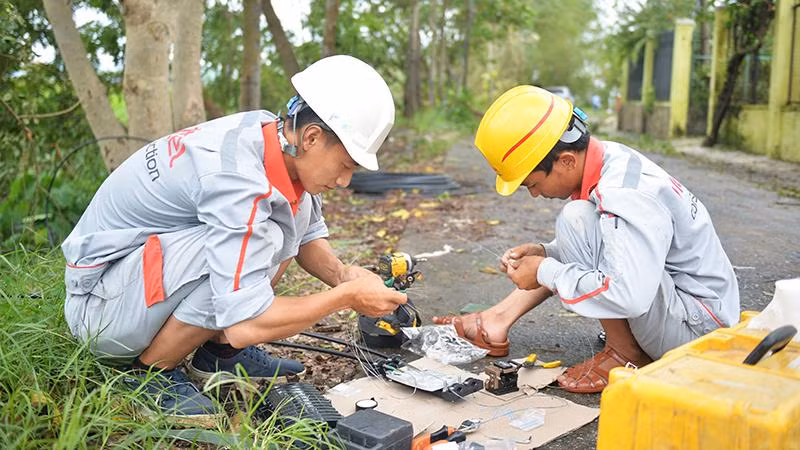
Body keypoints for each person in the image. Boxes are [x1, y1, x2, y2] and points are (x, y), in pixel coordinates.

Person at [62, 55, 407, 421]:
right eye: (346, 165)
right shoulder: (236, 180)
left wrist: (342, 275)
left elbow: (305, 236)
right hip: (99, 308)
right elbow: (247, 323)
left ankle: (218, 352)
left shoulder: (272, 138)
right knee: (260, 237)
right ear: (311, 137)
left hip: (132, 285)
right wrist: (345, 297)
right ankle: (151, 375)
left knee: (280, 221)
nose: (344, 181)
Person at [434, 85, 740, 393]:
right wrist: (545, 252)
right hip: (691, 311)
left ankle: (624, 354)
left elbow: (628, 294)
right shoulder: (610, 159)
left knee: (575, 219)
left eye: (532, 184)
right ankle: (495, 320)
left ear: (566, 160)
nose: (536, 194)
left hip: (699, 336)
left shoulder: (623, 194)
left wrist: (543, 270)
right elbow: (608, 246)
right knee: (578, 220)